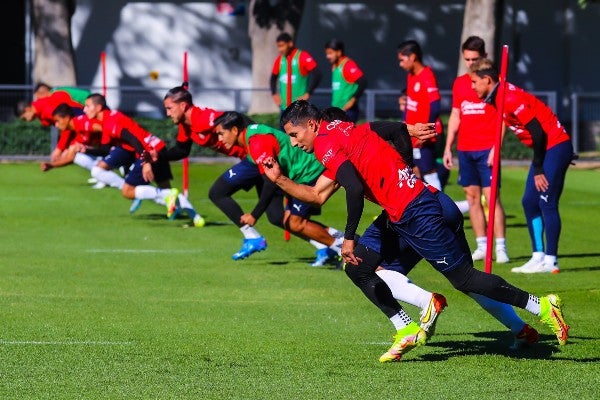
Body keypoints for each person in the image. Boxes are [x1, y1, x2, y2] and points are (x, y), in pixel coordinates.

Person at [264, 100, 569, 362]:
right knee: (360, 266)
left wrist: (347, 237)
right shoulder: (356, 132)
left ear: (316, 125)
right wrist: (278, 180)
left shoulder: (330, 144)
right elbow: (393, 132)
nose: (293, 143)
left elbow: (353, 189)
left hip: (416, 212)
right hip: (417, 205)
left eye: (294, 134)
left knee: (464, 278)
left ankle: (541, 305)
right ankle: (415, 328)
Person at [469, 59, 575, 274]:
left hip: (554, 145)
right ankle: (538, 256)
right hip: (549, 149)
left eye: (474, 82)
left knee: (547, 201)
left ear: (487, 80)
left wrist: (538, 167)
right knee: (529, 201)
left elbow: (537, 131)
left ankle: (551, 260)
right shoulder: (497, 97)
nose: (472, 86)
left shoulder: (509, 97)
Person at [213, 111, 344, 266]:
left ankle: (344, 249)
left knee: (295, 223)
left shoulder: (257, 141)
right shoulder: (253, 134)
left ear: (234, 130)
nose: (219, 140)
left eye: (221, 134)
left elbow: (269, 183)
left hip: (310, 172)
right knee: (288, 221)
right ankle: (345, 240)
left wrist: (254, 215)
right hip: (302, 174)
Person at [84, 93, 204, 226]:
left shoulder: (109, 122)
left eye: (88, 106)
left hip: (149, 152)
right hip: (158, 147)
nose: (85, 109)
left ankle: (165, 195)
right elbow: (108, 148)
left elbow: (133, 139)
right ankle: (196, 218)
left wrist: (146, 162)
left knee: (128, 191)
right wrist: (87, 149)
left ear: (99, 107)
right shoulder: (112, 116)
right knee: (165, 188)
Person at [443, 36, 509, 264]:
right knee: (472, 198)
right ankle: (481, 244)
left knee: (491, 199)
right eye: (467, 59)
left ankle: (500, 247)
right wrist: (448, 146)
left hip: (487, 149)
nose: (471, 63)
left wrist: (495, 148)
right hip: (466, 149)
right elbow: (455, 114)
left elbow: (504, 118)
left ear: (483, 56)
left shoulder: (495, 81)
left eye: (475, 58)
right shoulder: (460, 83)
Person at [397, 40, 443, 190]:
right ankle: (424, 209)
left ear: (413, 57)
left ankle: (442, 210)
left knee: (428, 171)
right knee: (413, 172)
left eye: (402, 60)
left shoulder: (427, 75)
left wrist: (426, 131)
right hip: (411, 134)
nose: (400, 64)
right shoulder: (411, 76)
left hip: (422, 136)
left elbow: (435, 105)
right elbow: (410, 107)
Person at [40, 103, 107, 183]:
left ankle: (105, 175)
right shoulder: (77, 131)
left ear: (67, 118)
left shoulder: (82, 123)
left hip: (117, 147)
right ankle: (103, 176)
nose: (56, 125)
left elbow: (106, 129)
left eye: (57, 121)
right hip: (106, 151)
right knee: (76, 153)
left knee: (94, 167)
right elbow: (70, 158)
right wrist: (51, 165)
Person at [270, 32, 321, 118]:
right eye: (278, 46)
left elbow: (318, 74)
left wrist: (308, 93)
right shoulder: (280, 59)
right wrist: (274, 94)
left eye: (282, 46)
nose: (280, 49)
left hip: (299, 108)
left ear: (290, 43)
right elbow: (273, 78)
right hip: (284, 108)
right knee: (283, 131)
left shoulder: (302, 56)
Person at [324, 39, 367, 123]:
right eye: (327, 53)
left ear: (339, 52)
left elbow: (363, 81)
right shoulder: (335, 66)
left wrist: (353, 100)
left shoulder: (347, 65)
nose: (327, 56)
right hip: (337, 111)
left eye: (330, 53)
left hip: (347, 111)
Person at [17, 85, 90, 127]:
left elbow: (66, 121)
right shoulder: (51, 98)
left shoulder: (50, 101)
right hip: (84, 106)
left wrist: (60, 148)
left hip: (87, 102)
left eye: (38, 96)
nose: (37, 99)